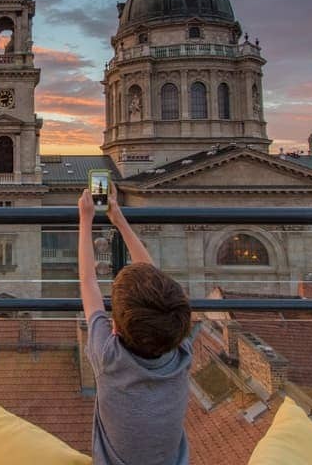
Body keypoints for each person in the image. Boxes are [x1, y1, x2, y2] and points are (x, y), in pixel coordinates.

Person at [78, 182, 193, 465]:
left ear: (114, 326)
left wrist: (86, 219)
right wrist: (119, 218)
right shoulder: (181, 350)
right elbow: (150, 278)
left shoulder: (109, 358)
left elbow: (88, 282)